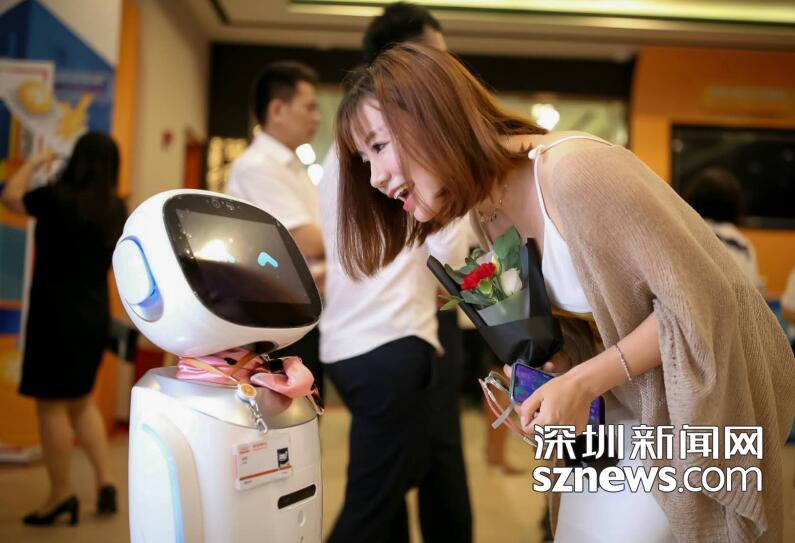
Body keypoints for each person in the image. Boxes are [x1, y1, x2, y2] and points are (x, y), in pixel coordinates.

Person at [333, 43, 795, 542]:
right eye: (364, 159)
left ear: (434, 117)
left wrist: (583, 382)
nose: (375, 178)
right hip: (624, 406)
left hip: (695, 403)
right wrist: (551, 380)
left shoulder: (576, 171)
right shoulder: (487, 211)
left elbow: (704, 304)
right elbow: (597, 325)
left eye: (379, 146)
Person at [318, 4, 472, 542]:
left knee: (389, 498)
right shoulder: (398, 153)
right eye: (435, 57)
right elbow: (454, 256)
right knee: (375, 504)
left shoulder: (343, 152)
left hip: (350, 343)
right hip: (392, 341)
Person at [0, 132, 127, 525]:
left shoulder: (57, 197)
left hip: (54, 315)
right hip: (94, 316)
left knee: (52, 405)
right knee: (81, 401)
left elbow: (10, 197)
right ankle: (105, 481)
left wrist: (35, 163)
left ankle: (60, 495)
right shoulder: (116, 209)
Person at [226, 61, 325, 395]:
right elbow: (308, 241)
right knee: (283, 409)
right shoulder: (257, 167)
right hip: (273, 317)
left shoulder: (291, 166)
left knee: (304, 408)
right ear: (278, 109)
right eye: (309, 107)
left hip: (298, 311)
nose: (317, 117)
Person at [682, 167, 763, 291]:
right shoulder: (743, 246)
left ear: (693, 199)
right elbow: (754, 294)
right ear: (736, 205)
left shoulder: (686, 234)